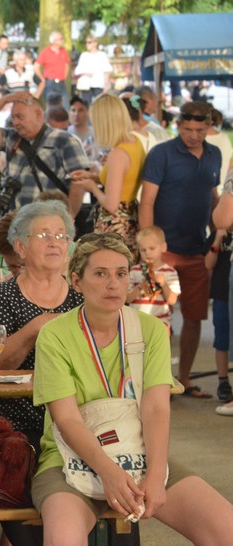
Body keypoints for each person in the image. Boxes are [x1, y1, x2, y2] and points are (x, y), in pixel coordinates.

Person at [32, 232, 233, 544]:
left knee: (226, 529)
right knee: (63, 538)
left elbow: (156, 409)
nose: (113, 284)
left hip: (138, 454)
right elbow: (67, 419)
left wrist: (156, 473)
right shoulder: (55, 335)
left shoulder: (151, 329)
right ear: (77, 281)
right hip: (68, 459)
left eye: (121, 274)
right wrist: (109, 473)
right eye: (100, 274)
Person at [0, 200, 80, 545]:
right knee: (19, 494)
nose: (55, 242)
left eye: (61, 235)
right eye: (44, 235)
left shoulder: (81, 298)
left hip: (71, 416)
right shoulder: (2, 297)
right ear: (20, 246)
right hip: (11, 419)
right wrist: (34, 328)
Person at [139, 102, 220, 398]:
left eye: (199, 130)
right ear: (178, 125)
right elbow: (147, 201)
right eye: (187, 129)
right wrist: (149, 249)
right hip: (165, 250)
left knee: (195, 317)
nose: (193, 135)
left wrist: (217, 237)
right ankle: (154, 382)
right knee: (156, 317)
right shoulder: (162, 154)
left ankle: (184, 379)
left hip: (197, 249)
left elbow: (212, 197)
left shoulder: (214, 154)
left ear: (208, 127)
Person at [0, 91, 90, 209]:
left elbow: (80, 182)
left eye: (20, 117)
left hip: (49, 217)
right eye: (13, 117)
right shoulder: (11, 138)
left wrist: (70, 215)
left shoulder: (64, 140)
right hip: (15, 218)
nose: (15, 122)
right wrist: (4, 100)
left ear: (38, 114)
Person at [69, 94, 145, 255]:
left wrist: (92, 187)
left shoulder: (118, 154)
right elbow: (124, 180)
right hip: (130, 215)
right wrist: (93, 177)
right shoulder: (134, 141)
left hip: (116, 224)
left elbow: (111, 205)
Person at [127, 225, 180, 328]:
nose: (148, 253)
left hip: (161, 322)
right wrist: (140, 287)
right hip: (137, 322)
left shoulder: (169, 272)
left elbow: (172, 300)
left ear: (163, 247)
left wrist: (163, 284)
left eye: (152, 248)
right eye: (143, 250)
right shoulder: (134, 271)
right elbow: (127, 299)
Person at [204, 227, 232, 404]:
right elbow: (208, 264)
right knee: (222, 339)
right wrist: (217, 241)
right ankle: (223, 381)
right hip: (222, 294)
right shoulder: (219, 234)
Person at [35, 31, 71, 107]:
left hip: (61, 82)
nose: (62, 40)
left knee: (65, 106)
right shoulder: (45, 52)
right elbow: (36, 66)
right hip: (50, 83)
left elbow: (66, 65)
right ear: (54, 41)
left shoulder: (63, 51)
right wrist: (42, 79)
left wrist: (64, 77)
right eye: (61, 39)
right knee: (51, 106)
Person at [74, 37, 113, 104]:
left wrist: (106, 83)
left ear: (95, 43)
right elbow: (77, 71)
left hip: (98, 84)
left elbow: (106, 70)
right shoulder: (84, 55)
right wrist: (86, 73)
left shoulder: (102, 55)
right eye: (86, 43)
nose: (87, 44)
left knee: (99, 104)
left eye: (89, 42)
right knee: (86, 104)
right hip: (85, 85)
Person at [67, 95, 99, 165]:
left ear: (87, 112)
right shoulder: (65, 134)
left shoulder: (96, 134)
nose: (76, 114)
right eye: (73, 110)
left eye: (80, 110)